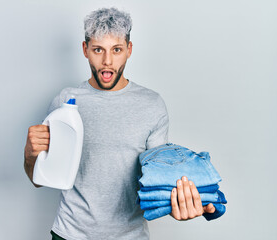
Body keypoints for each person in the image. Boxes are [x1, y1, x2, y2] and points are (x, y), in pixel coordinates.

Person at [24, 7, 216, 240]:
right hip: (71, 234)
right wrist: (30, 154)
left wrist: (183, 203)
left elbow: (157, 179)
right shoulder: (64, 101)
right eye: (98, 50)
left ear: (129, 50)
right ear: (85, 50)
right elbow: (40, 179)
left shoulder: (151, 104)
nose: (107, 61)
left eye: (116, 50)